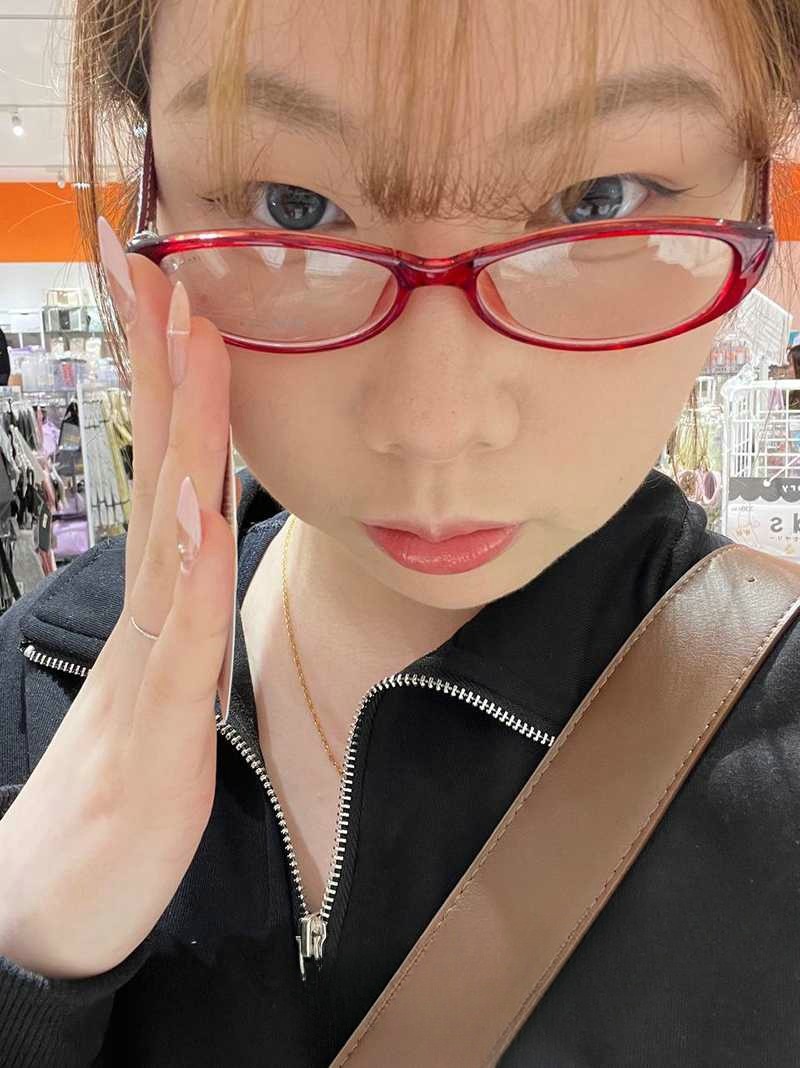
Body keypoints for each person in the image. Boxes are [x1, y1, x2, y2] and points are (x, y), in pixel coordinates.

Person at [0, 1, 798, 1064]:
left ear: (754, 185)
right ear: (154, 191)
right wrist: (25, 956)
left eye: (596, 202)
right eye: (295, 207)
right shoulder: (36, 679)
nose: (433, 425)